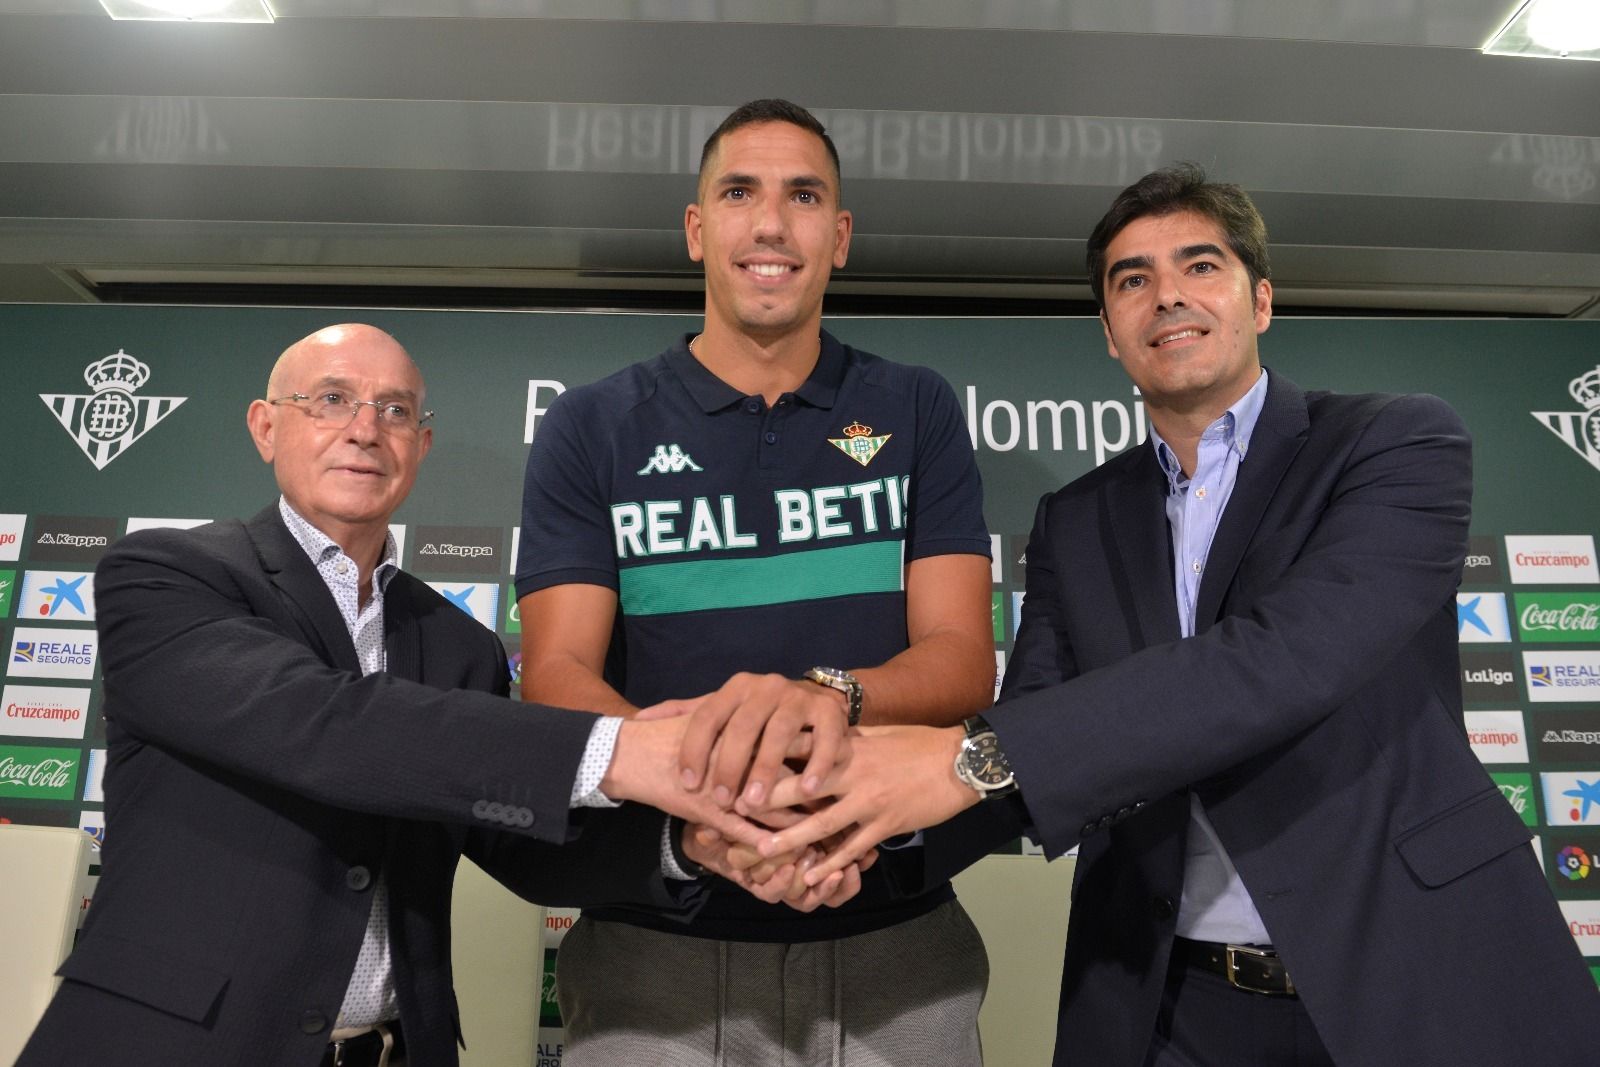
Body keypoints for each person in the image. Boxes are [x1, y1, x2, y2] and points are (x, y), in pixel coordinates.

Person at [751, 164, 1600, 1066]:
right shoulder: (1075, 519)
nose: (1166, 296)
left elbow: (1279, 663)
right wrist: (849, 837)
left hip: (1412, 972)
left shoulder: (1394, 443)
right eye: (1132, 280)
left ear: (1261, 300)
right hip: (1169, 1005)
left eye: (1200, 266)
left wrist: (971, 758)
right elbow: (1036, 732)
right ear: (1111, 335)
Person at [17, 323, 770, 1067]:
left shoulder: (460, 645)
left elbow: (519, 841)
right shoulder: (163, 575)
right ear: (265, 425)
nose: (366, 430)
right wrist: (622, 747)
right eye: (332, 399)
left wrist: (688, 841)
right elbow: (324, 724)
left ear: (422, 446)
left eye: (396, 410)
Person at [514, 100, 996, 1066]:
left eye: (803, 196)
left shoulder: (916, 405)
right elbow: (555, 675)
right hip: (658, 951)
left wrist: (829, 699)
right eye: (739, 192)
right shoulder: (591, 425)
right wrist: (716, 807)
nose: (771, 224)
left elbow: (961, 661)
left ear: (840, 236)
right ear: (698, 230)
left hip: (893, 938)